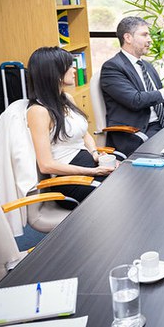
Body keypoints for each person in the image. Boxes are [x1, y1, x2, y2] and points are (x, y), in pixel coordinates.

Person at [27, 47, 116, 208]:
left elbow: (84, 134)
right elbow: (46, 165)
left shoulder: (67, 98)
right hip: (68, 179)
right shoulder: (38, 111)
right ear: (55, 73)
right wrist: (92, 172)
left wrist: (95, 154)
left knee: (129, 176)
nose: (74, 70)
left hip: (87, 162)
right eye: (69, 66)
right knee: (119, 191)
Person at [100, 17, 164, 156]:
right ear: (128, 38)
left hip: (163, 123)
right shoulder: (112, 67)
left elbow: (158, 96)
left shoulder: (146, 65)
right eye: (144, 35)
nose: (150, 39)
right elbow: (135, 100)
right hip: (138, 131)